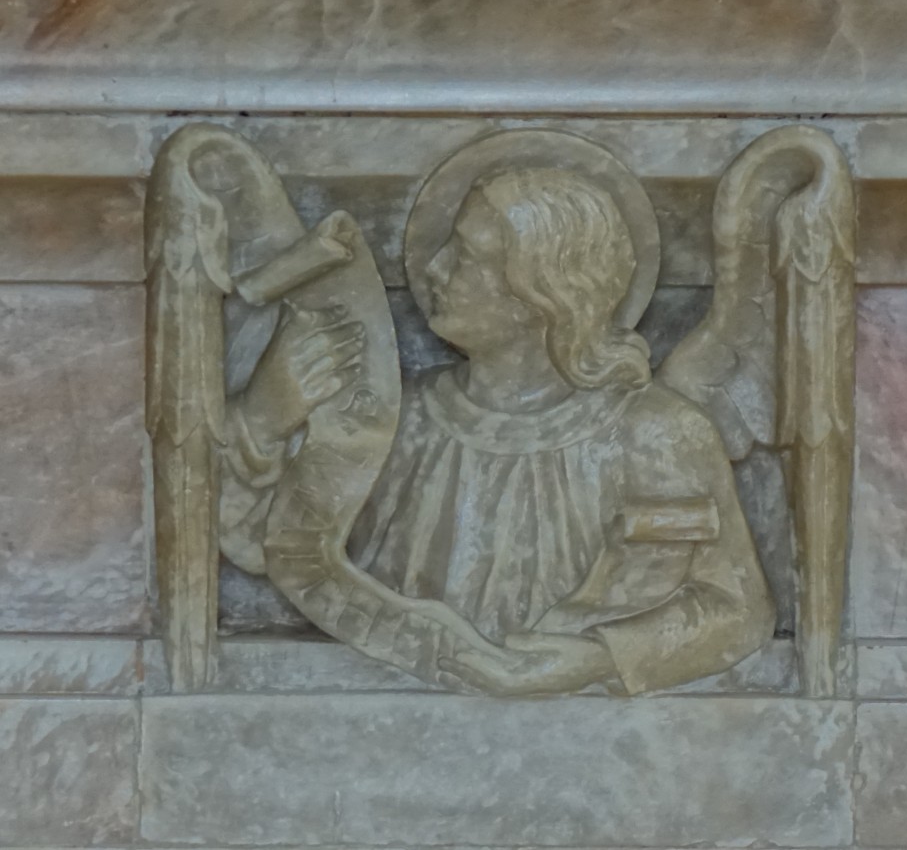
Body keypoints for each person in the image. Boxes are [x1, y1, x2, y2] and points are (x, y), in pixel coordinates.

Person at [222, 167, 775, 695]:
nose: (436, 267)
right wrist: (262, 418)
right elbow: (263, 545)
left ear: (542, 293)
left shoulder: (656, 434)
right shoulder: (394, 420)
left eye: (467, 255)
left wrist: (600, 659)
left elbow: (738, 609)